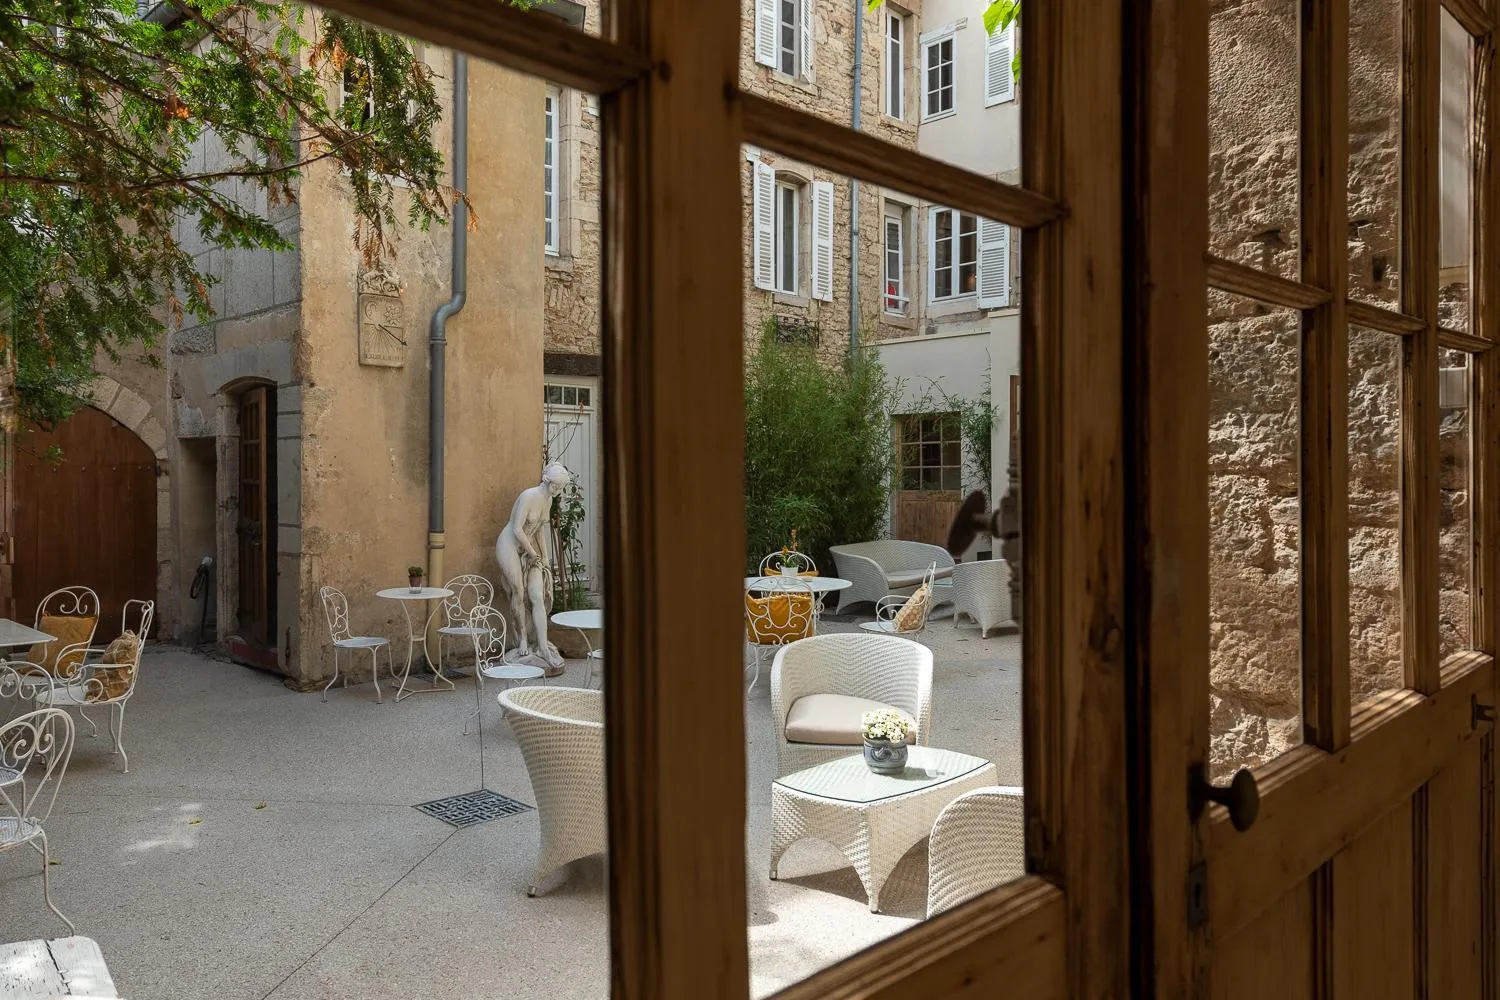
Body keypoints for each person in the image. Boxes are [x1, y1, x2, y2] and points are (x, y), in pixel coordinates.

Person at [495, 463, 571, 673]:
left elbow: (538, 531)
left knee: (537, 594)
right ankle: (522, 640)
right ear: (548, 481)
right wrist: (533, 553)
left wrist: (545, 559)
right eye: (557, 486)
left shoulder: (547, 500)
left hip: (530, 548)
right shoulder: (529, 496)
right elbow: (518, 529)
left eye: (561, 487)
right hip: (510, 545)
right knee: (518, 591)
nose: (559, 491)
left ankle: (544, 647)